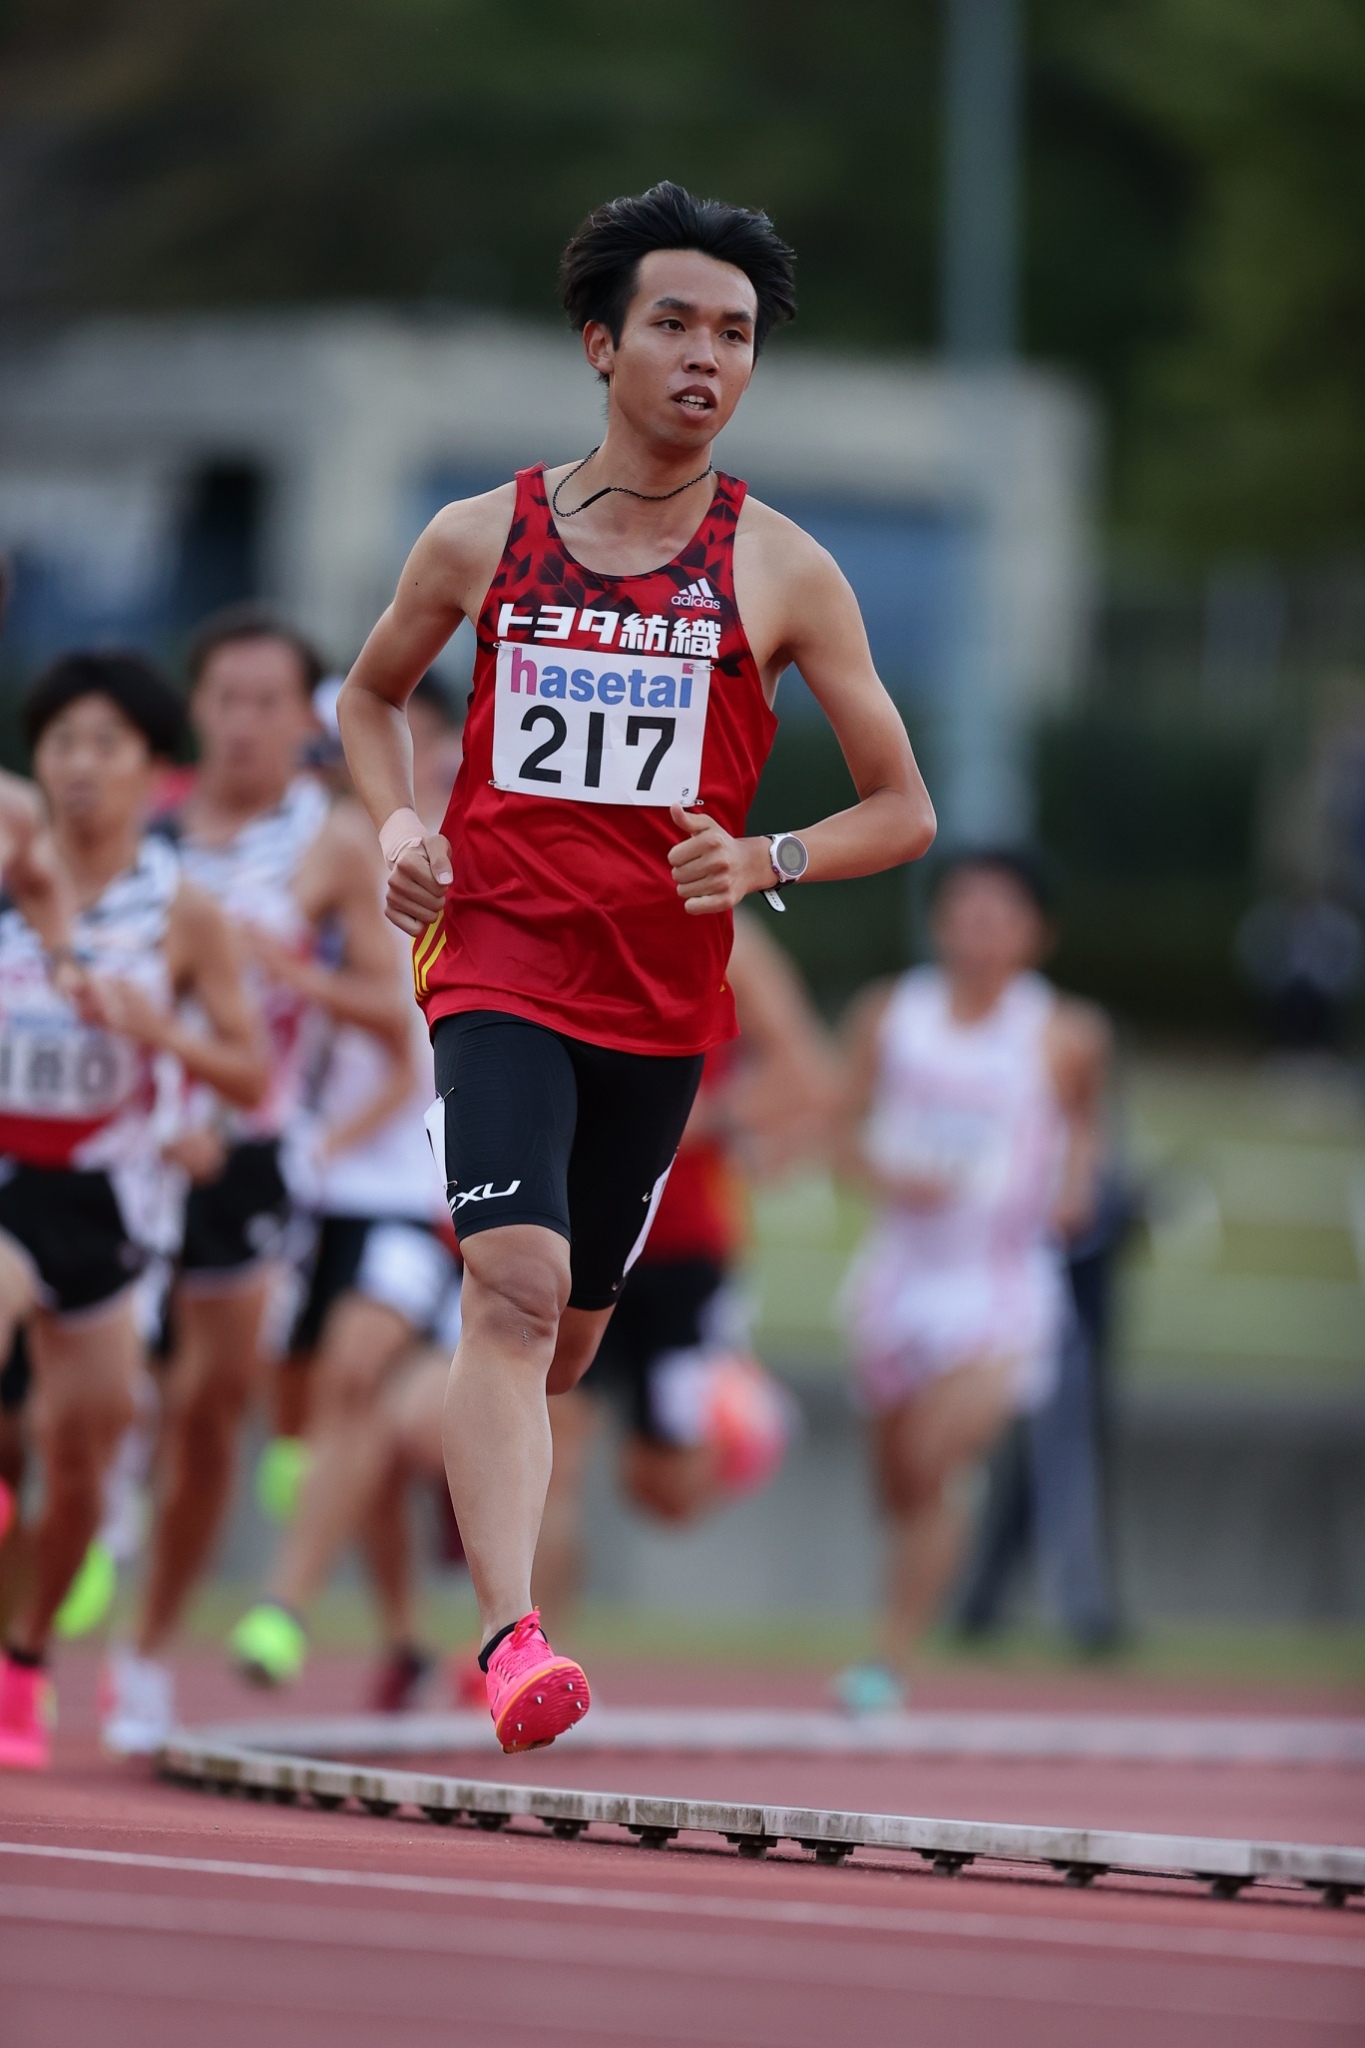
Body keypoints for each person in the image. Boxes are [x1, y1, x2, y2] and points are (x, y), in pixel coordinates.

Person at [337, 180, 935, 1752]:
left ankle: (482, 1472)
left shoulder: (784, 571)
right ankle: (511, 1639)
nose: (705, 357)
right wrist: (398, 823)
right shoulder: (483, 535)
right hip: (497, 965)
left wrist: (764, 858)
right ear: (601, 341)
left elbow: (904, 809)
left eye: (734, 335)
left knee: (570, 1335)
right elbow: (369, 696)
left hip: (662, 1011)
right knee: (515, 1290)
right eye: (674, 323)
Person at [100, 608, 410, 1755]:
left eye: (266, 701)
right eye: (222, 698)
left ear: (307, 715)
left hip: (250, 1155)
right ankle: (97, 1490)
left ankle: (142, 1653)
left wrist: (288, 972)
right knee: (91, 1395)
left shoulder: (329, 841)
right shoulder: (142, 821)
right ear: (196, 709)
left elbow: (392, 1015)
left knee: (209, 1411)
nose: (241, 722)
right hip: (121, 1146)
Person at [0, 652, 267, 1768]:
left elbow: (251, 1076)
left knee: (85, 1450)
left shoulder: (186, 912)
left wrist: (159, 1036)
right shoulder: (11, 864)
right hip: (8, 1172)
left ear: (153, 768)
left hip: (112, 1204)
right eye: (63, 741)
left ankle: (21, 1658)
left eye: (106, 745)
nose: (80, 766)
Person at [228, 675, 467, 1702]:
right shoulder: (337, 841)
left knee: (353, 1379)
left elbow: (385, 1016)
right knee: (327, 1419)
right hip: (320, 1183)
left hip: (428, 1180)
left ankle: (282, 1604)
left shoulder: (496, 827)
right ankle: (410, 1632)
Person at [835, 849, 1109, 1711]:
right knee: (898, 1483)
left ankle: (887, 1661)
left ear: (1036, 933)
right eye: (965, 908)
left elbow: (1084, 1133)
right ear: (939, 919)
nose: (980, 927)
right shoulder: (890, 1013)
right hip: (899, 1279)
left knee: (936, 1457)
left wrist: (1071, 1191)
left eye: (1002, 912)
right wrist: (888, 1172)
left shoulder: (1064, 1033)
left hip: (999, 1285)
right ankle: (933, 1523)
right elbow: (838, 1130)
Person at [532, 911, 838, 1633]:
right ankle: (528, 1661)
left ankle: (746, 1417)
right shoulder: (557, 901)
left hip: (680, 1252)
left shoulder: (728, 934)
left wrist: (682, 1122)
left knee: (664, 1493)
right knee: (556, 1453)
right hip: (572, 1235)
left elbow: (806, 1076)